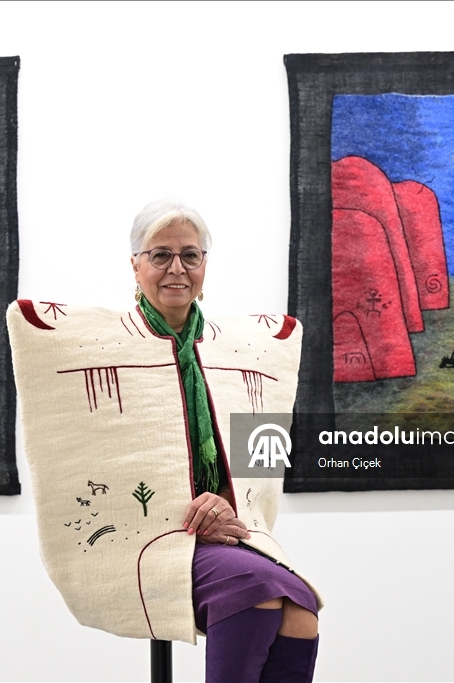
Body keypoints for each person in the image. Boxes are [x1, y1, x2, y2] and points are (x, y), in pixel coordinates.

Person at [130, 198, 320, 683]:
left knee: (300, 610)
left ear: (204, 265)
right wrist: (190, 509)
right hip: (149, 535)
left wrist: (228, 504)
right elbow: (97, 465)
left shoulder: (239, 353)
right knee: (259, 589)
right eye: (160, 255)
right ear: (135, 265)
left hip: (227, 531)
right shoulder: (111, 349)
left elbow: (261, 467)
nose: (177, 268)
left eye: (190, 255)